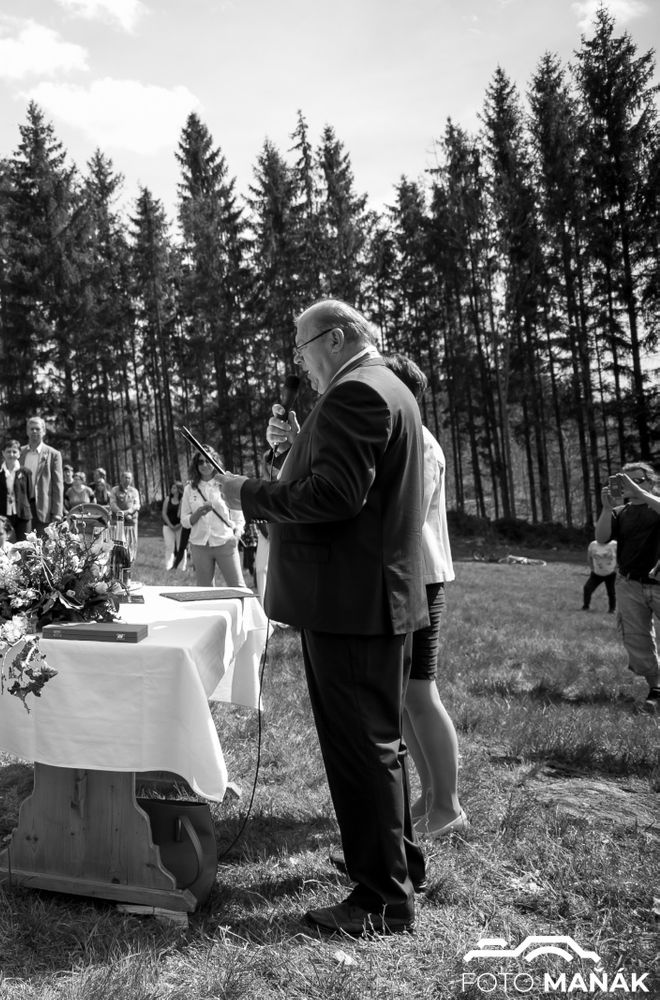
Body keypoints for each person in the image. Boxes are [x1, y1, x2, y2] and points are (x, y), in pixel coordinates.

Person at [217, 299, 428, 937]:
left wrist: (247, 493)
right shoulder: (384, 386)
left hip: (349, 601)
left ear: (334, 339)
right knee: (379, 743)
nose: (300, 362)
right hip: (369, 597)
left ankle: (381, 898)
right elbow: (336, 478)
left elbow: (335, 496)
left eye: (302, 347)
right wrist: (294, 449)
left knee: (360, 748)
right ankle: (396, 863)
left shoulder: (355, 392)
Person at [384, 353, 466, 841]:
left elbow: (406, 518)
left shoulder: (422, 445)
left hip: (422, 578)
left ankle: (448, 805)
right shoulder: (407, 439)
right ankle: (430, 794)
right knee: (404, 697)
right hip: (407, 577)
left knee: (420, 692)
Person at [595, 460, 660, 714]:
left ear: (652, 483)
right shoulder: (621, 512)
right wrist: (605, 508)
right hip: (629, 583)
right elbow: (601, 538)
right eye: (625, 481)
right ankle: (656, 689)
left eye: (637, 480)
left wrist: (640, 492)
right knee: (637, 639)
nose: (630, 486)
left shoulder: (656, 504)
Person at [181, 452, 245, 588]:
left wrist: (237, 534)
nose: (204, 465)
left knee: (238, 587)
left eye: (208, 461)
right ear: (196, 465)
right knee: (205, 591)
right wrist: (198, 513)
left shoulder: (225, 484)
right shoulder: (189, 489)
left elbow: (238, 514)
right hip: (199, 545)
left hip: (225, 541)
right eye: (200, 462)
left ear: (215, 462)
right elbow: (184, 521)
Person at [22, 416, 64, 533]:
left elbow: (57, 485)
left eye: (37, 429)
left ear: (44, 431)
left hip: (43, 508)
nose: (34, 431)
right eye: (31, 429)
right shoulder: (19, 453)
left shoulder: (53, 454)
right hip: (22, 508)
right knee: (22, 542)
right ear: (27, 431)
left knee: (42, 542)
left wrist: (57, 512)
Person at [0, 439, 33, 541]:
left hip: (23, 514)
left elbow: (29, 493)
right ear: (3, 453)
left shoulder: (26, 472)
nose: (11, 454)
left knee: (24, 545)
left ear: (19, 453)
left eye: (14, 452)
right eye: (8, 451)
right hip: (3, 514)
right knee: (5, 545)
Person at [110, 469, 141, 567]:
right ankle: (117, 561)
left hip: (131, 521)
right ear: (121, 478)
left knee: (131, 542)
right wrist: (121, 514)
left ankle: (129, 562)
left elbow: (137, 505)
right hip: (118, 521)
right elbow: (113, 504)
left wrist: (128, 512)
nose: (127, 479)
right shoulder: (115, 490)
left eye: (129, 478)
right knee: (118, 542)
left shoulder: (134, 491)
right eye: (125, 477)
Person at [583, 536, 618, 613]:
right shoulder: (593, 544)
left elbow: (620, 557)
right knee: (587, 588)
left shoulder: (614, 544)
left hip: (611, 574)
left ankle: (612, 609)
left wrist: (615, 569)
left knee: (611, 592)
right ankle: (585, 606)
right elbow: (589, 558)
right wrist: (592, 568)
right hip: (596, 574)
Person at [160, 482, 186, 572]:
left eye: (174, 488)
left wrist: (180, 525)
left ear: (179, 489)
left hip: (180, 527)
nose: (172, 489)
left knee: (181, 547)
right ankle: (168, 566)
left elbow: (185, 514)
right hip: (168, 527)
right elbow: (164, 513)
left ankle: (181, 567)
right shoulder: (167, 499)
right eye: (172, 487)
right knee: (169, 546)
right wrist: (170, 525)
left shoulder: (183, 500)